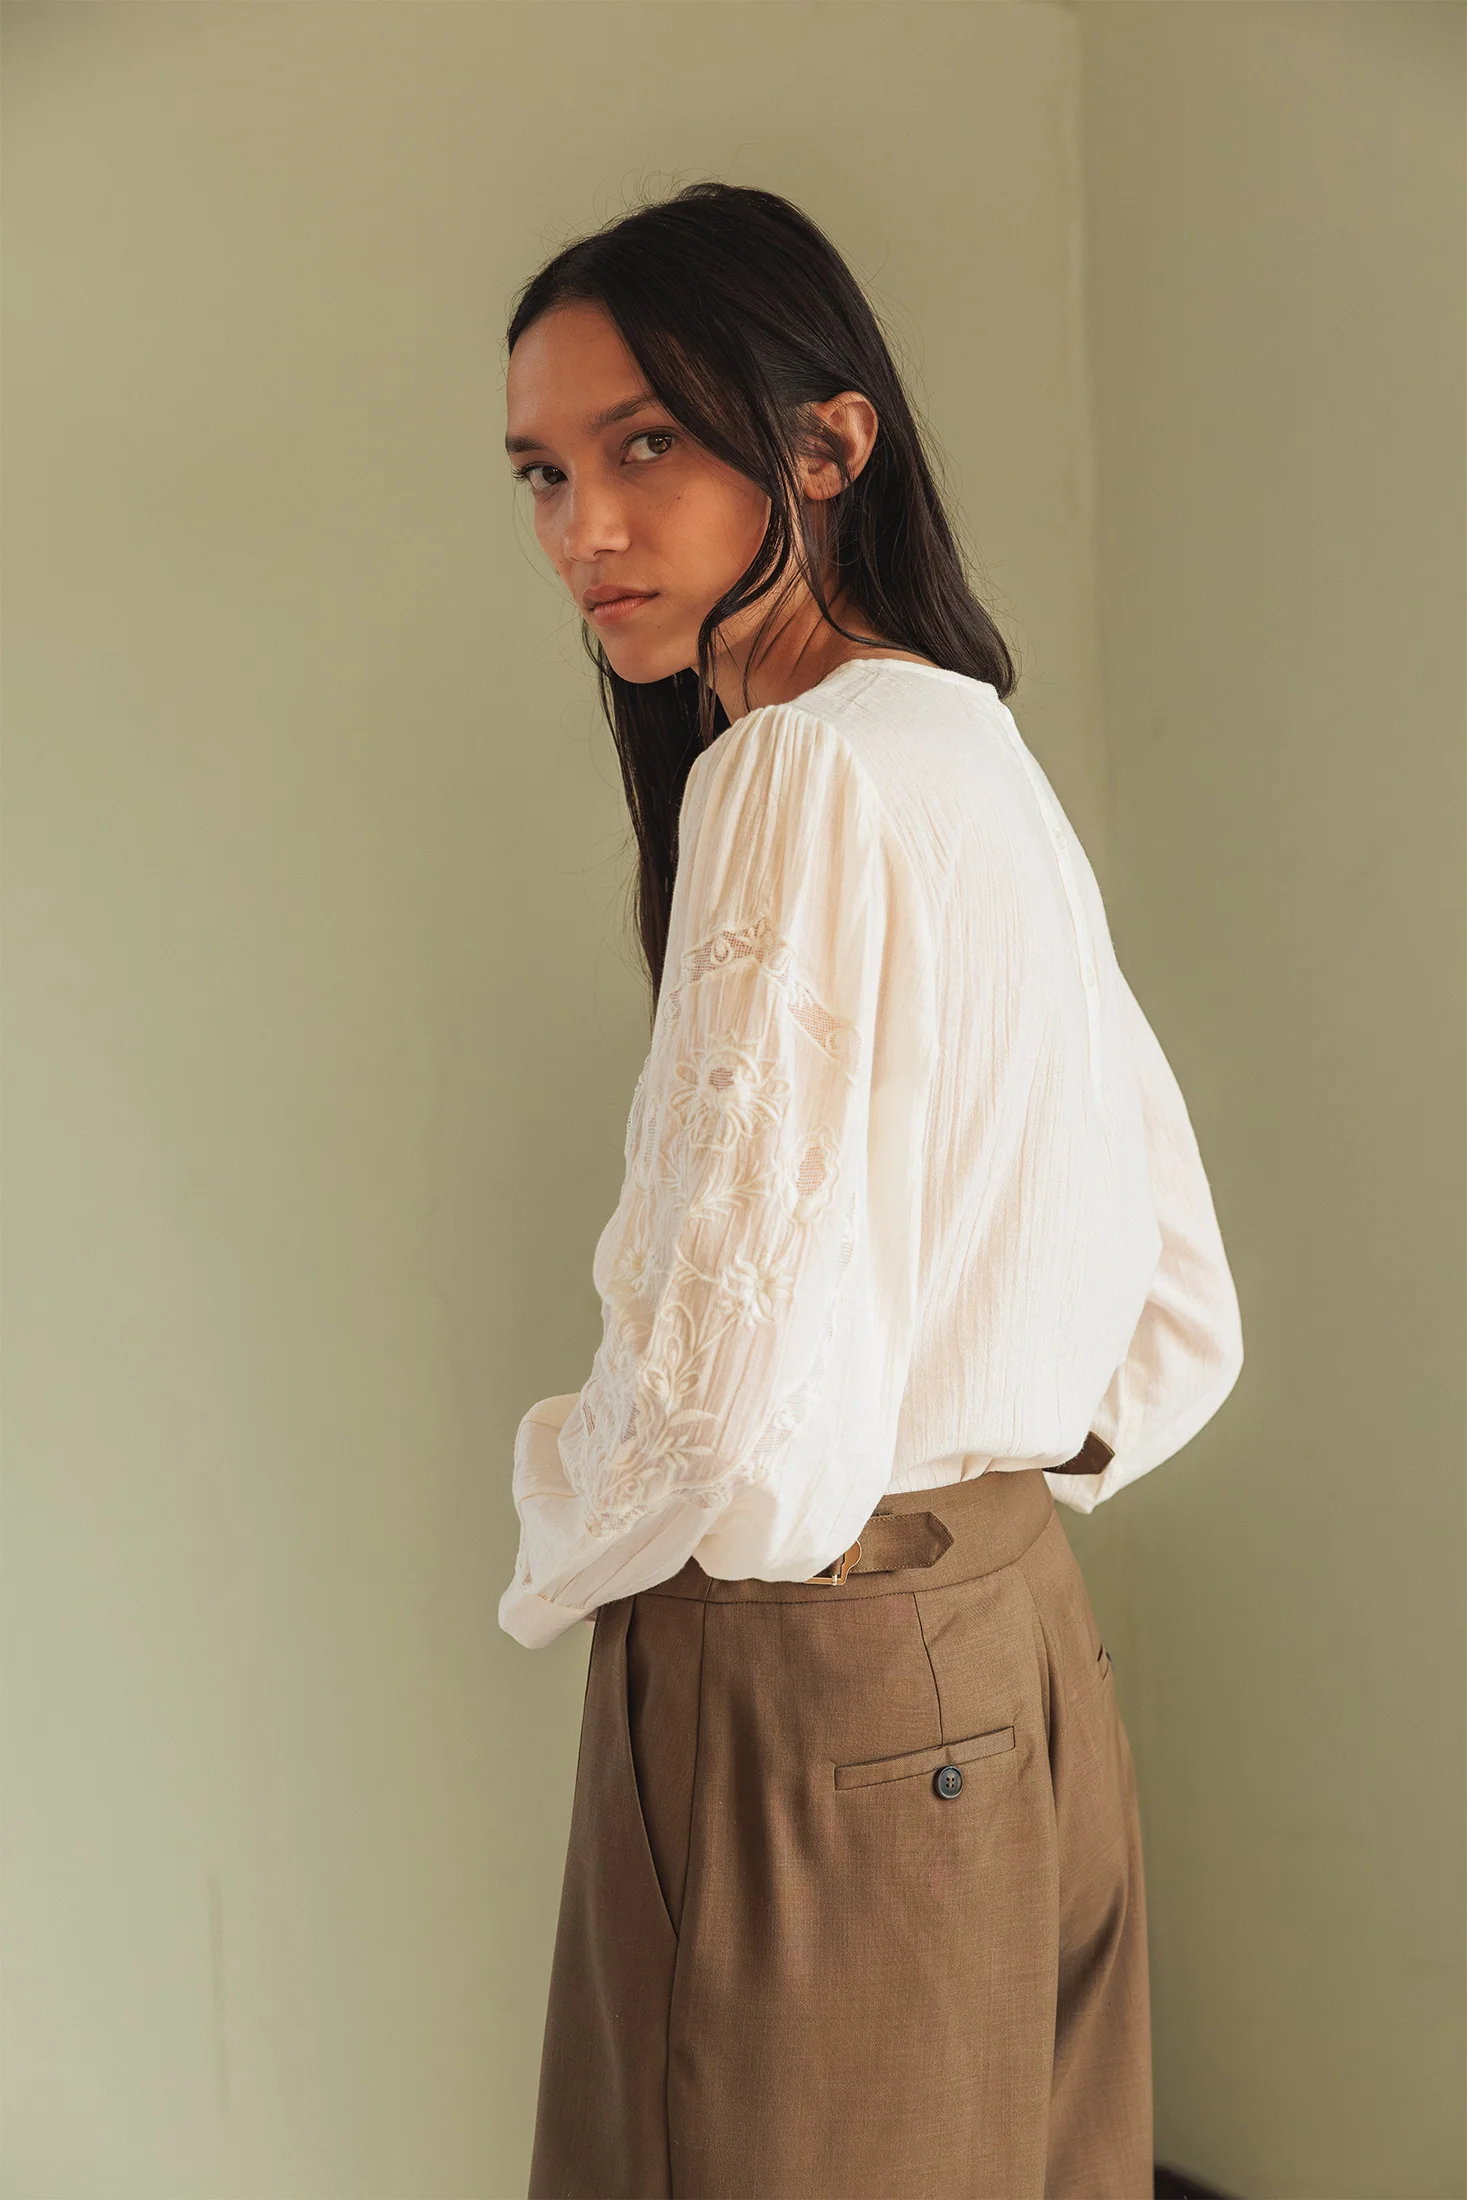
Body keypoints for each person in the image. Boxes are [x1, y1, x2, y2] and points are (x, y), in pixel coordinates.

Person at [496, 181, 1243, 2200]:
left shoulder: (794, 769)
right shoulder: (967, 746)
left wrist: (560, 1519)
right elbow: (1181, 1306)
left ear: (827, 444)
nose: (584, 529)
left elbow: (712, 1402)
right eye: (544, 471)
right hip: (1015, 1634)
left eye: (647, 445)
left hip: (800, 1671)